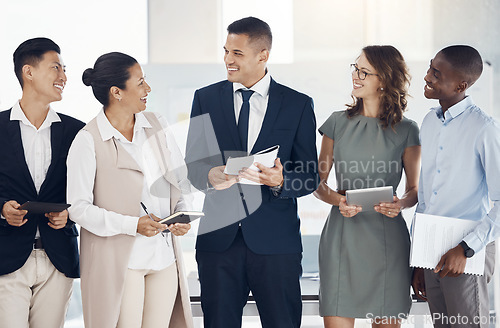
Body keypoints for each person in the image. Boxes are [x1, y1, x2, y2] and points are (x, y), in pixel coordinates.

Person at [185, 16, 319, 328]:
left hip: (276, 245)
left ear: (263, 55)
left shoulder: (297, 105)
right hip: (218, 244)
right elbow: (193, 166)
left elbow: (310, 175)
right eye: (226, 51)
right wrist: (210, 176)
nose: (228, 60)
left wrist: (282, 180)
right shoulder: (205, 98)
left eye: (237, 54)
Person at [67, 52, 193, 328]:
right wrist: (132, 225)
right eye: (140, 83)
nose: (147, 89)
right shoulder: (87, 140)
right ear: (117, 92)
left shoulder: (156, 123)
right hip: (122, 262)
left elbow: (178, 182)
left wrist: (181, 214)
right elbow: (78, 208)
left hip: (163, 257)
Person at [313, 45, 421, 328]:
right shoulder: (336, 122)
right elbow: (318, 183)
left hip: (388, 241)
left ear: (384, 79)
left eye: (364, 71)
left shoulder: (408, 129)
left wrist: (401, 204)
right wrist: (339, 201)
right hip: (342, 238)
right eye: (355, 68)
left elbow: (414, 190)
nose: (355, 76)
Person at [411, 45, 500, 328]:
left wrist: (466, 248)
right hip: (431, 251)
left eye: (437, 74)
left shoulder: (484, 128)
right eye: (430, 68)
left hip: (465, 250)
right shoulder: (429, 121)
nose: (427, 77)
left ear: (461, 85)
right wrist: (419, 260)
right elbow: (426, 197)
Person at [0, 37, 84, 328]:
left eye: (64, 69)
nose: (63, 77)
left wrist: (69, 213)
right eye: (56, 68)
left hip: (57, 258)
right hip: (7, 258)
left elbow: (87, 191)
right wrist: (2, 209)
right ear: (29, 72)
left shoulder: (77, 132)